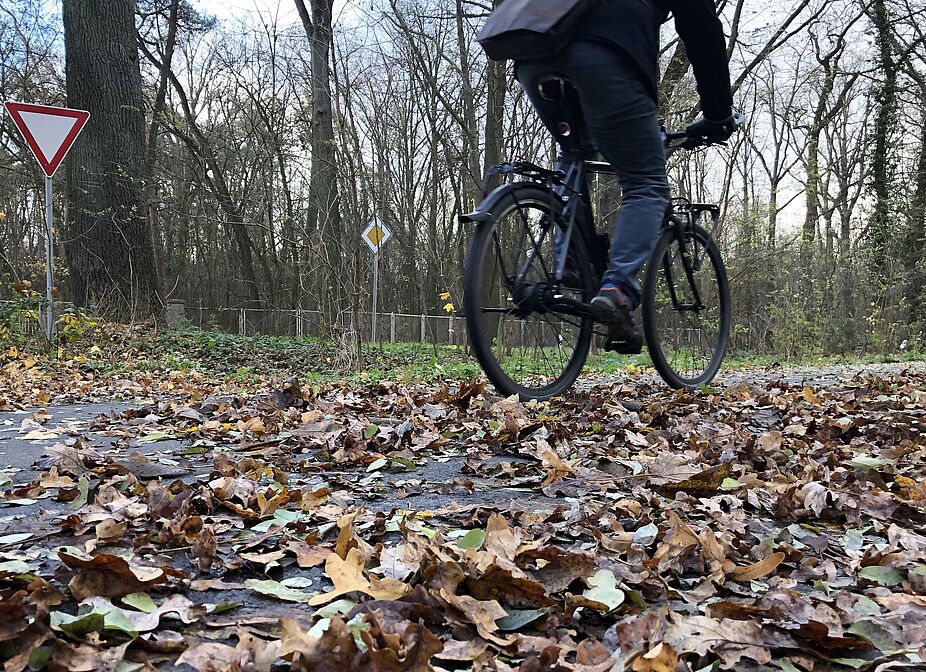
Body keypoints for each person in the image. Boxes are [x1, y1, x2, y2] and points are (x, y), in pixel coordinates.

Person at [513, 0, 737, 350]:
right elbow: (700, 26)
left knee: (575, 153)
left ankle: (569, 259)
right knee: (646, 183)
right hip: (605, 54)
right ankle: (617, 289)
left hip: (532, 51)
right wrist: (719, 113)